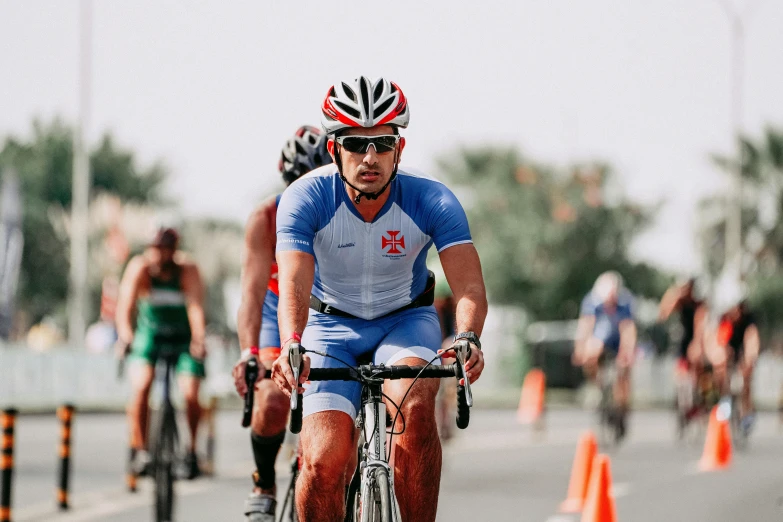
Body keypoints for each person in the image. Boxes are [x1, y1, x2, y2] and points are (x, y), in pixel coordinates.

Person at [270, 76, 487, 522]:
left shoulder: (433, 198)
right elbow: (293, 279)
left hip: (405, 321)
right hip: (330, 327)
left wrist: (468, 336)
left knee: (415, 413)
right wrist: (292, 341)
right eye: (355, 144)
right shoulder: (304, 198)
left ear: (399, 150)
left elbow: (467, 285)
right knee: (321, 460)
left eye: (383, 144)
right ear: (334, 149)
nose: (369, 158)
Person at [231, 125, 332, 521]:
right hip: (279, 310)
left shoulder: (351, 208)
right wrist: (248, 353)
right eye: (296, 182)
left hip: (331, 312)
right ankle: (264, 484)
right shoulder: (265, 217)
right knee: (272, 400)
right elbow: (252, 295)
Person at [115, 227, 207, 479]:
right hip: (150, 335)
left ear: (174, 252)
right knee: (142, 386)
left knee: (190, 392)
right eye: (155, 250)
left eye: (165, 250)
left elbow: (195, 308)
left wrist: (199, 339)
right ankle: (143, 450)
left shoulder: (188, 270)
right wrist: (126, 336)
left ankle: (190, 450)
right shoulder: (139, 268)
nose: (160, 257)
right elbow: (125, 307)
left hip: (182, 337)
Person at [573, 271, 636, 437]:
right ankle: (596, 385)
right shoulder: (592, 301)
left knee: (623, 372)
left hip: (618, 338)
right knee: (591, 352)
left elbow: (628, 329)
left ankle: (622, 408)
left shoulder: (625, 302)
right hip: (601, 337)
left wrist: (626, 353)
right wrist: (580, 348)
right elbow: (586, 326)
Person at [709, 298, 760, 433]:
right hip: (730, 349)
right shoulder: (725, 320)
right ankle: (724, 397)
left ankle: (747, 410)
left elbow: (752, 339)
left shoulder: (749, 320)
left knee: (746, 375)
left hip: (743, 348)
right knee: (720, 367)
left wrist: (750, 358)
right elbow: (720, 342)